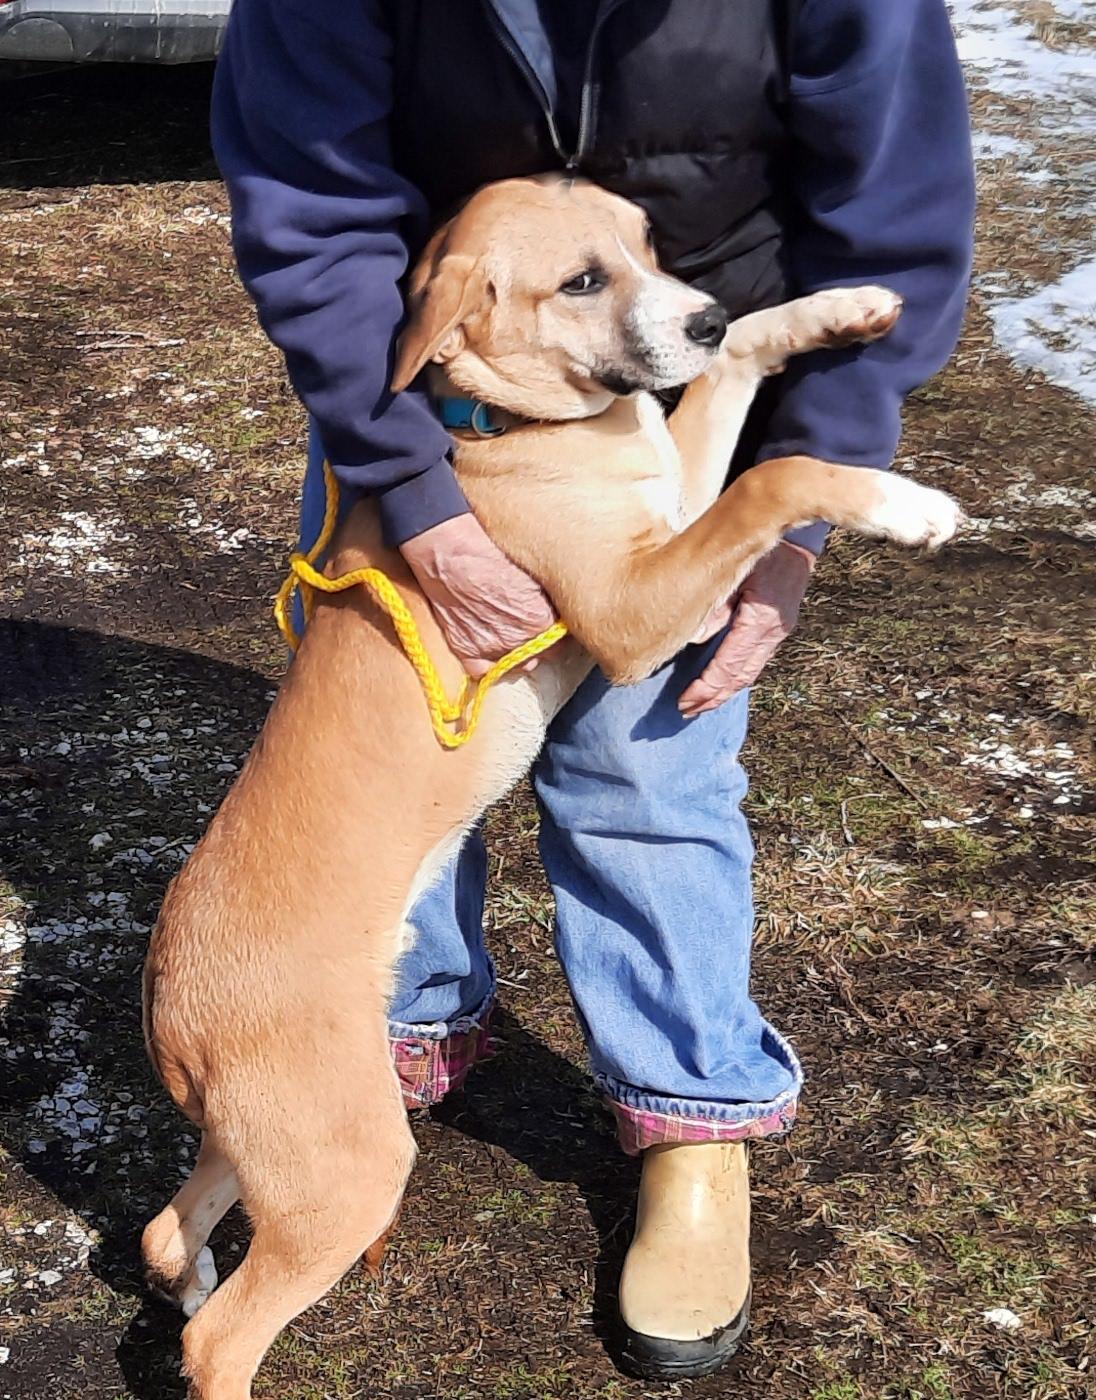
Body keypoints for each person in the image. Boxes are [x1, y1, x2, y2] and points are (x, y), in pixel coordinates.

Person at [211, 0, 974, 1378]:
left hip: (632, 367)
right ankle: (378, 1047)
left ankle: (692, 1120)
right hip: (432, 375)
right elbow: (308, 202)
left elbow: (895, 208)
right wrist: (406, 484)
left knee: (650, 769)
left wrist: (801, 478)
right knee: (391, 791)